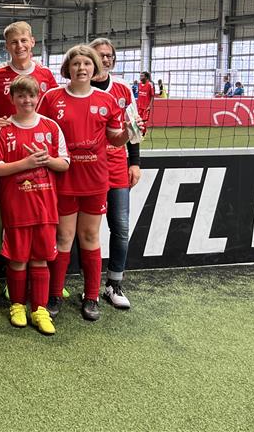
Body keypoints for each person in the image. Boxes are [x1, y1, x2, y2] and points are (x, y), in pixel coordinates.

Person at [37, 45, 129, 321]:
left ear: (94, 68)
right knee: (63, 237)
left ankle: (91, 297)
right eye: (76, 63)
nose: (81, 68)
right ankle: (55, 295)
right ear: (68, 68)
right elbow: (38, 129)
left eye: (87, 64)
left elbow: (115, 139)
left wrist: (130, 133)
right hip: (63, 178)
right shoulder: (52, 98)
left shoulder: (107, 100)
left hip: (95, 179)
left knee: (89, 237)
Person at [0, 76, 69, 335]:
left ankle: (40, 309)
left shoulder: (51, 126)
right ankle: (17, 305)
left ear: (38, 98)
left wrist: (46, 160)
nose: (27, 100)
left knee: (40, 260)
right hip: (16, 208)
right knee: (18, 260)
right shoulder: (3, 130)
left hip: (45, 207)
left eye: (31, 95)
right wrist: (27, 163)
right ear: (12, 99)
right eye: (21, 96)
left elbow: (65, 163)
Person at [90, 38, 143, 309]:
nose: (105, 59)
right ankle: (83, 287)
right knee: (84, 231)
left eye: (109, 55)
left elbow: (133, 127)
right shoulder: (79, 85)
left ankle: (114, 284)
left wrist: (135, 162)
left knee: (120, 227)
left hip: (117, 166)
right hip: (87, 167)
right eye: (100, 55)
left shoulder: (123, 88)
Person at [0, 21, 58, 124]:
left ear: (32, 42)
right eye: (14, 42)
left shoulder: (46, 73)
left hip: (40, 133)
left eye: (23, 40)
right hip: (6, 133)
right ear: (6, 46)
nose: (19, 46)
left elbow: (57, 106)